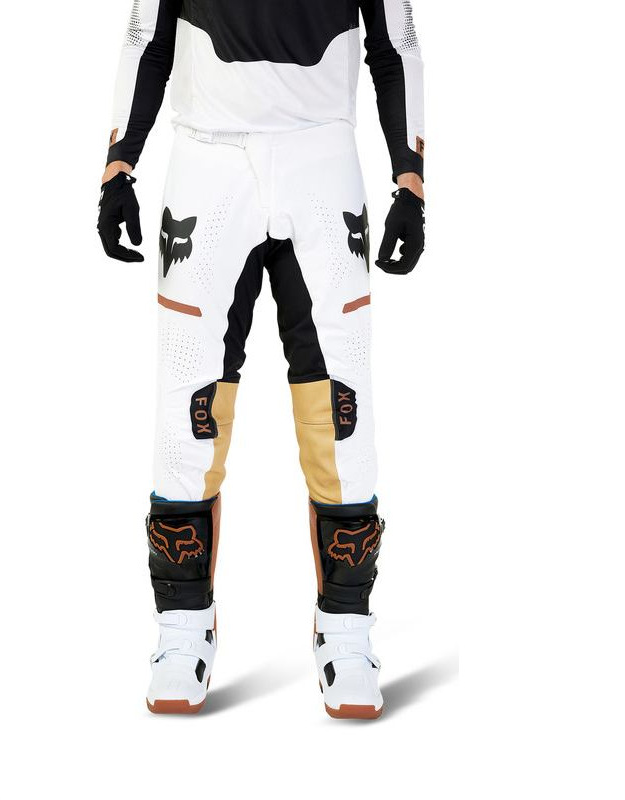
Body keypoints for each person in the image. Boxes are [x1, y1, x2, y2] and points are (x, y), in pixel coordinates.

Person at [97, 0, 425, 719]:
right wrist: (119, 164)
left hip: (321, 164)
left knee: (340, 406)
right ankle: (182, 628)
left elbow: (393, 41)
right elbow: (148, 34)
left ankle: (346, 629)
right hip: (208, 163)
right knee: (189, 403)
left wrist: (410, 178)